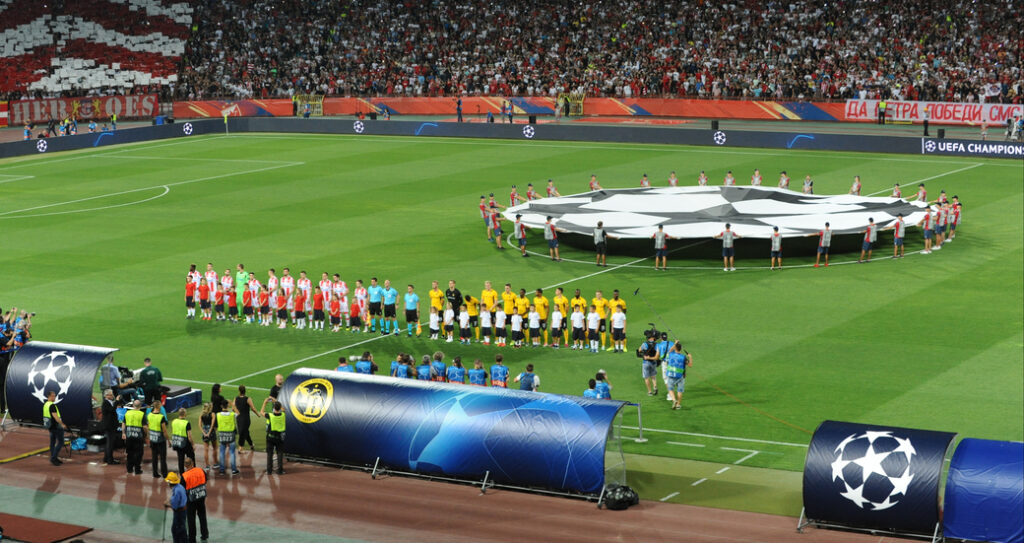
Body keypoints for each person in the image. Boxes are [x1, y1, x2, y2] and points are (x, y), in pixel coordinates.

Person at [181, 458, 210, 543]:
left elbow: (182, 489)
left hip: (191, 500)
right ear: (192, 463)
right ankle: (205, 534)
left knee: (191, 519)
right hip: (201, 497)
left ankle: (192, 539)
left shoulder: (184, 476)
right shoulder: (201, 470)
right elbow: (206, 480)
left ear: (185, 465)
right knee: (202, 516)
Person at [43, 390, 69, 466]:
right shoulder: (52, 405)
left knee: (52, 442)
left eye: (55, 395)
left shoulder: (46, 404)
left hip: (50, 426)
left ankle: (54, 457)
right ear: (49, 396)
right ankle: (53, 458)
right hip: (56, 426)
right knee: (61, 442)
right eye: (53, 395)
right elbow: (56, 417)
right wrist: (63, 424)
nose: (54, 397)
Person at [664, 342, 694, 410]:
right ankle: (678, 405)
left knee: (670, 389)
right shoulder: (683, 357)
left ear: (675, 348)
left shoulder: (670, 355)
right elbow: (690, 365)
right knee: (680, 391)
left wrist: (675, 344)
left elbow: (669, 351)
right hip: (680, 376)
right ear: (680, 349)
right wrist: (690, 357)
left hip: (670, 375)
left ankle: (674, 400)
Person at [146, 399, 170, 478]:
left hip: (153, 438)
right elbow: (164, 431)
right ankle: (164, 473)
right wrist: (168, 440)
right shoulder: (161, 417)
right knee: (163, 457)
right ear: (159, 406)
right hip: (160, 440)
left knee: (154, 456)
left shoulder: (149, 415)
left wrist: (148, 437)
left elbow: (148, 427)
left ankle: (155, 472)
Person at [214, 402, 239, 475]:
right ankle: (234, 470)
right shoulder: (232, 414)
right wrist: (232, 404)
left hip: (222, 435)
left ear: (221, 406)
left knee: (222, 452)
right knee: (232, 452)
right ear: (228, 406)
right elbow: (238, 412)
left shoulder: (217, 414)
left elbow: (215, 425)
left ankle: (222, 470)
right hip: (231, 435)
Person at [164, 472, 188, 543]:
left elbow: (175, 506)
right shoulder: (180, 487)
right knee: (182, 529)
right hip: (183, 511)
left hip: (179, 512)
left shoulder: (176, 491)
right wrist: (170, 499)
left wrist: (167, 504)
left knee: (176, 530)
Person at [171, 408, 196, 476]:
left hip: (177, 442)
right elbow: (189, 436)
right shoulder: (186, 423)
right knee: (191, 458)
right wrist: (193, 444)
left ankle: (182, 475)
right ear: (185, 414)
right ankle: (193, 473)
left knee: (180, 459)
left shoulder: (174, 421)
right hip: (186, 443)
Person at [122, 399, 145, 474]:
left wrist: (123, 433)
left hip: (129, 436)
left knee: (130, 453)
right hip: (139, 437)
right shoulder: (142, 414)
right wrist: (147, 435)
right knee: (139, 453)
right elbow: (145, 427)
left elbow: (123, 423)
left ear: (133, 405)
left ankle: (129, 469)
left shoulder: (127, 413)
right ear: (140, 406)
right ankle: (137, 470)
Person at [234, 385, 260, 451]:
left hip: (239, 418)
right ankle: (251, 444)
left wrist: (237, 412)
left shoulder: (236, 398)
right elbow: (253, 408)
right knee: (245, 432)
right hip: (246, 418)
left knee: (242, 433)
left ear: (239, 391)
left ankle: (240, 447)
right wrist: (258, 414)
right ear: (245, 391)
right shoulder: (248, 399)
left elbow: (233, 408)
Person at [100, 389, 121, 465]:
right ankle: (110, 460)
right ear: (106, 396)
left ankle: (106, 458)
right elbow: (112, 410)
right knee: (110, 443)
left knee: (109, 443)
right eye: (111, 394)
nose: (112, 396)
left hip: (111, 425)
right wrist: (117, 401)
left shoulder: (109, 402)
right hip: (109, 426)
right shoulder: (105, 403)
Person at [265, 401, 286, 475]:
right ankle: (280, 470)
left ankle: (269, 471)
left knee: (269, 454)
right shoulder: (283, 415)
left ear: (273, 408)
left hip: (270, 437)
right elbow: (284, 409)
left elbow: (261, 412)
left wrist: (264, 403)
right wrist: (276, 403)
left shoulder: (270, 415)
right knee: (280, 454)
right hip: (279, 438)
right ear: (280, 408)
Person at [199, 403, 214, 470]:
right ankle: (216, 463)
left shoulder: (201, 415)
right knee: (215, 447)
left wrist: (204, 433)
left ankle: (207, 465)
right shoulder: (212, 414)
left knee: (206, 450)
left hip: (204, 431)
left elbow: (199, 425)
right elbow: (212, 425)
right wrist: (209, 432)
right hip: (211, 432)